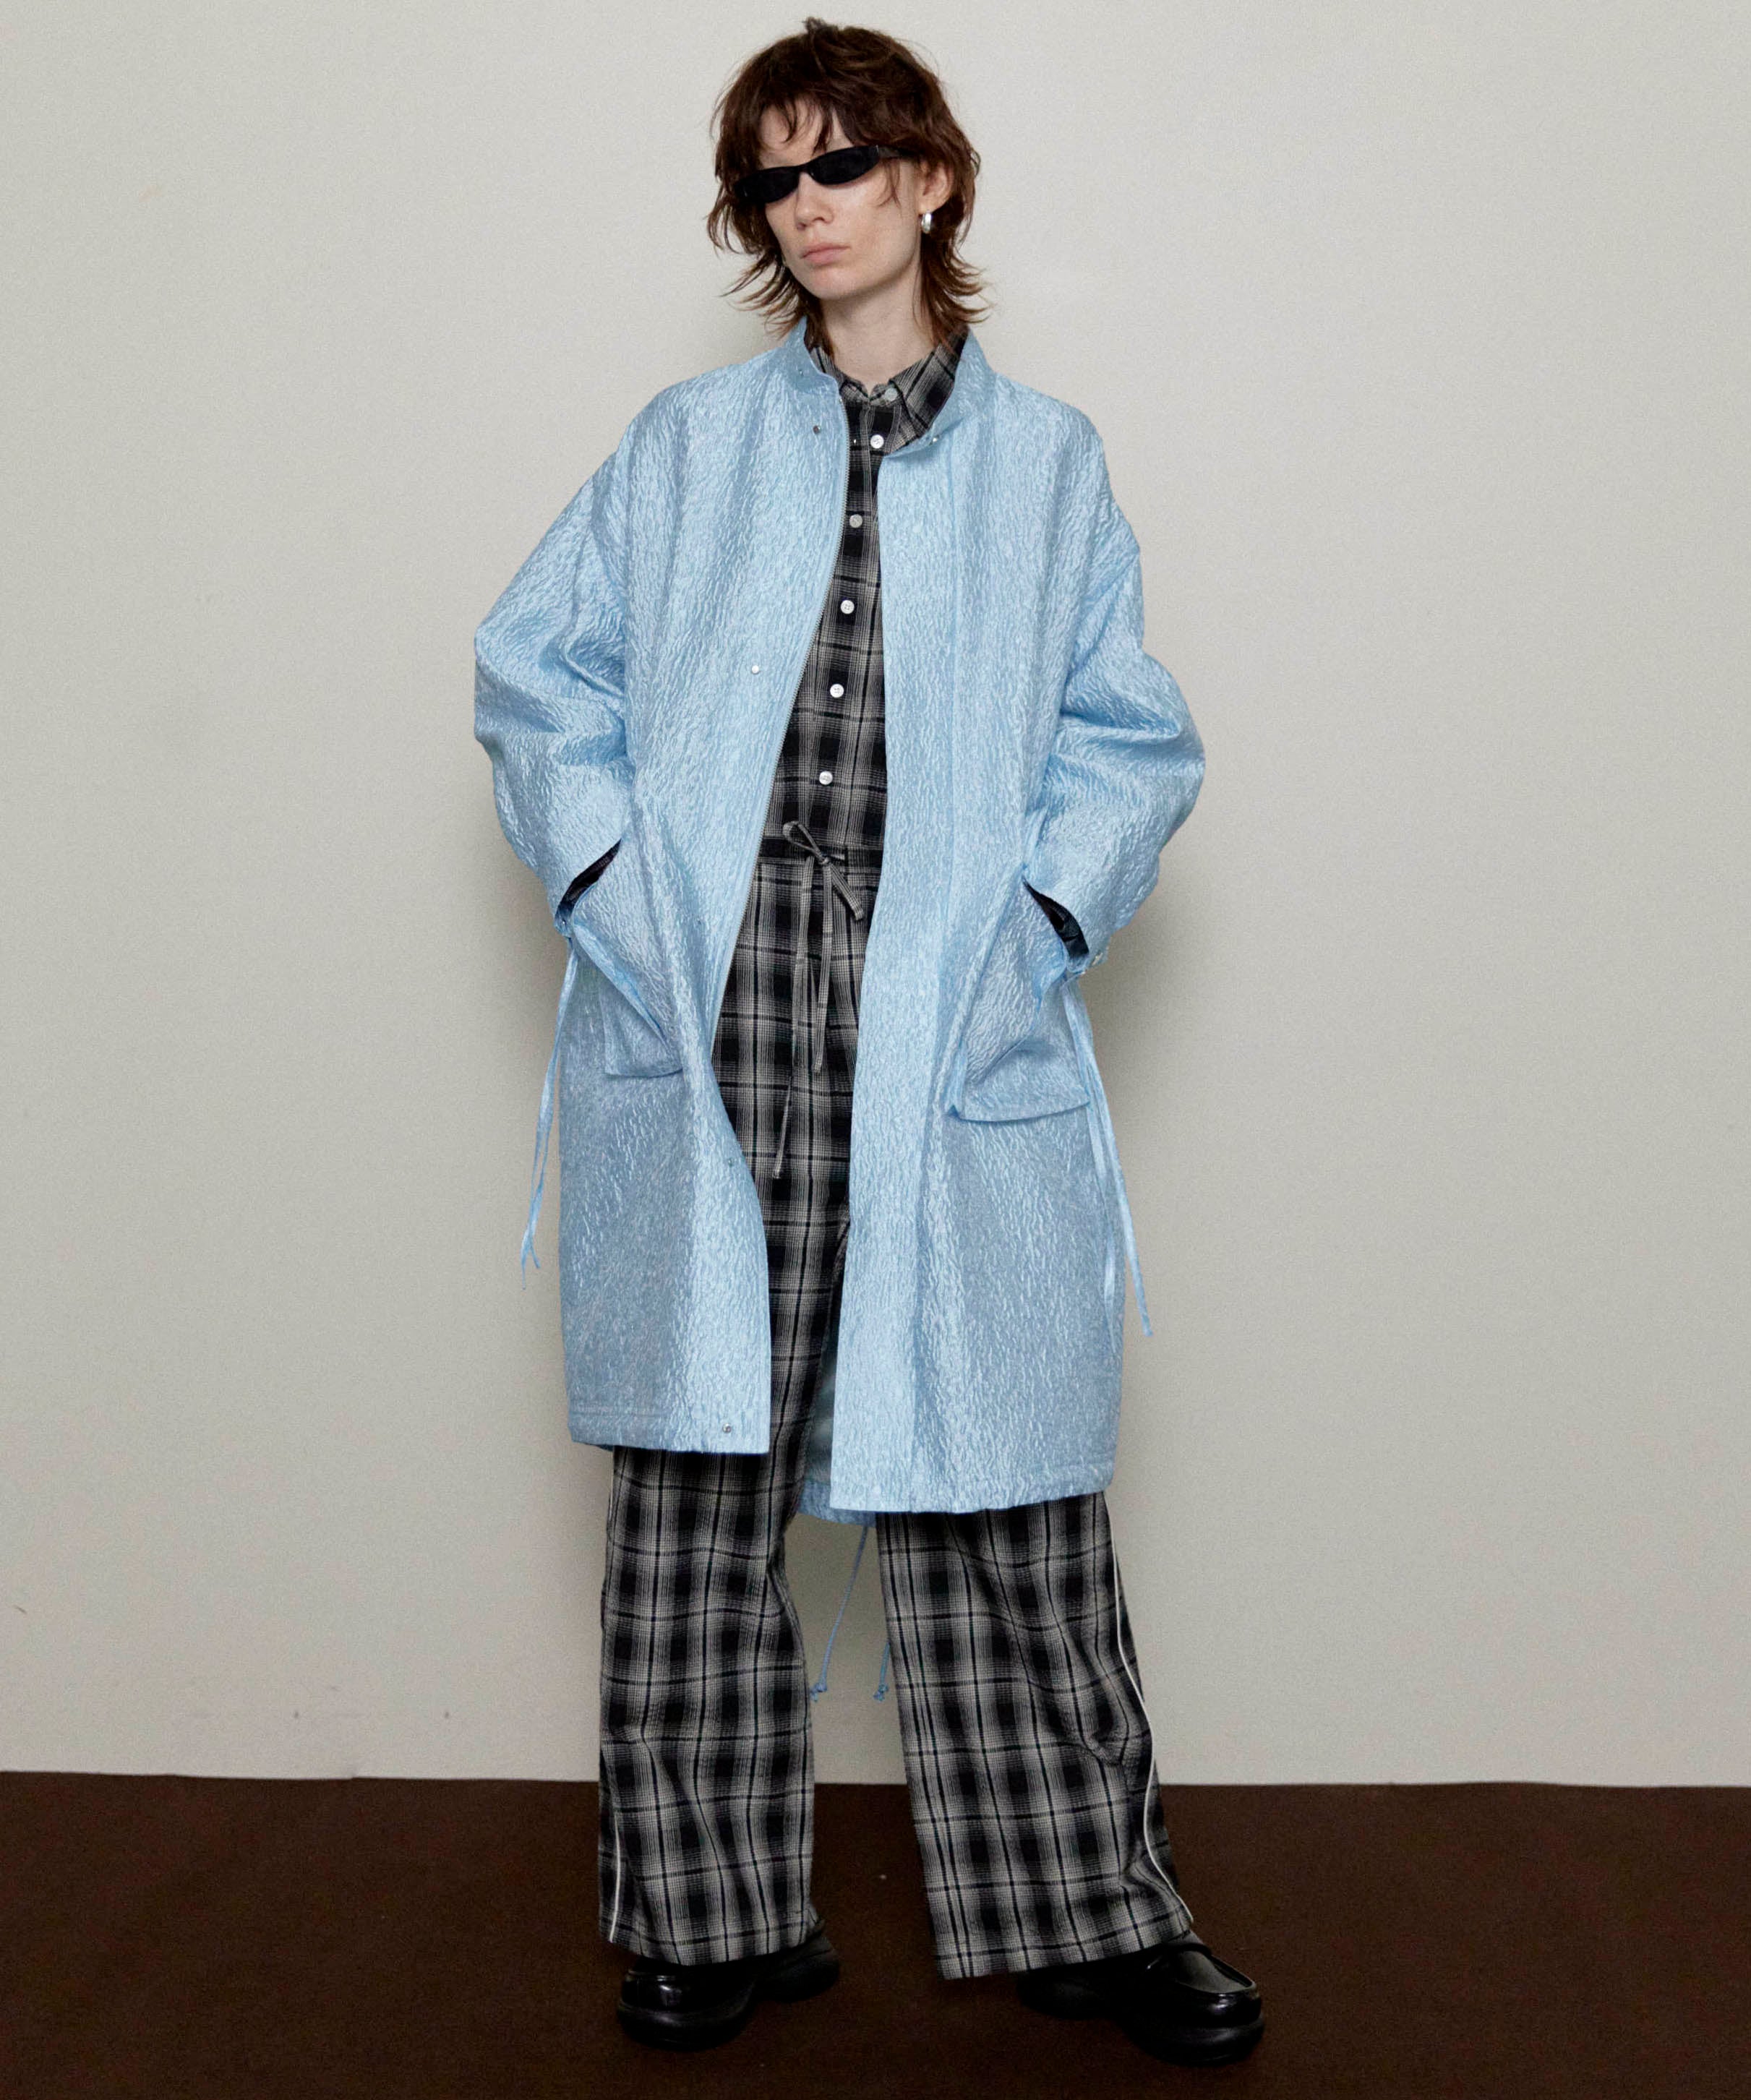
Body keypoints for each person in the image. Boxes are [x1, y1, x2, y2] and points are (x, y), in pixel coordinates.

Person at [474, 14, 1263, 2070]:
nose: (807, 208)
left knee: (998, 1472)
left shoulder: (1048, 463)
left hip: (941, 1006)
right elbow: (535, 671)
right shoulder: (683, 445)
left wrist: (1037, 924)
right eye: (775, 178)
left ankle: (1090, 1909)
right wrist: (613, 885)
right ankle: (714, 1916)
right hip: (716, 998)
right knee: (699, 1476)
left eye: (840, 164)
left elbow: (1130, 733)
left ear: (930, 179)